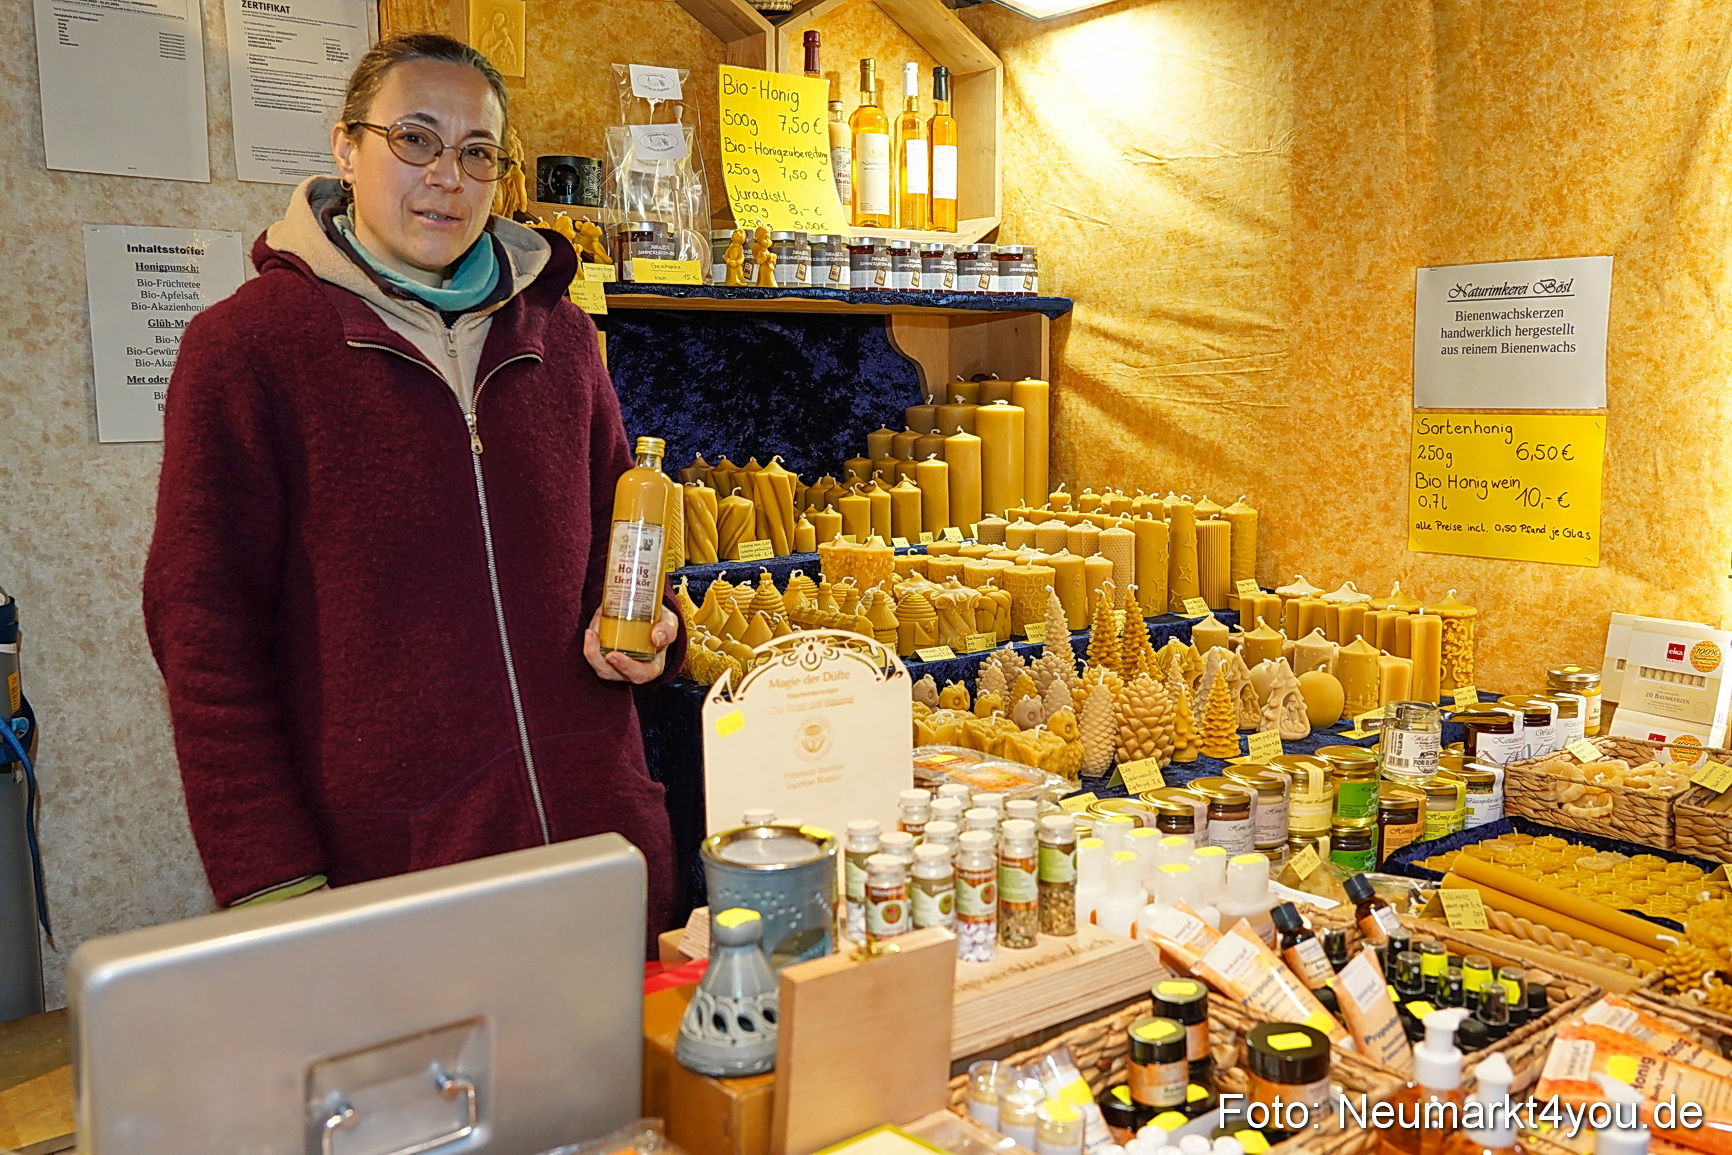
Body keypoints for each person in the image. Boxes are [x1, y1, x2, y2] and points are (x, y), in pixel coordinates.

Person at [142, 34, 684, 935]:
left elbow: (621, 535)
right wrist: (271, 882)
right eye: (416, 139)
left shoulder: (564, 342)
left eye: (478, 152)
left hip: (600, 847)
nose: (448, 175)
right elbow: (204, 633)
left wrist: (655, 625)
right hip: (391, 875)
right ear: (346, 148)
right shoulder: (245, 350)